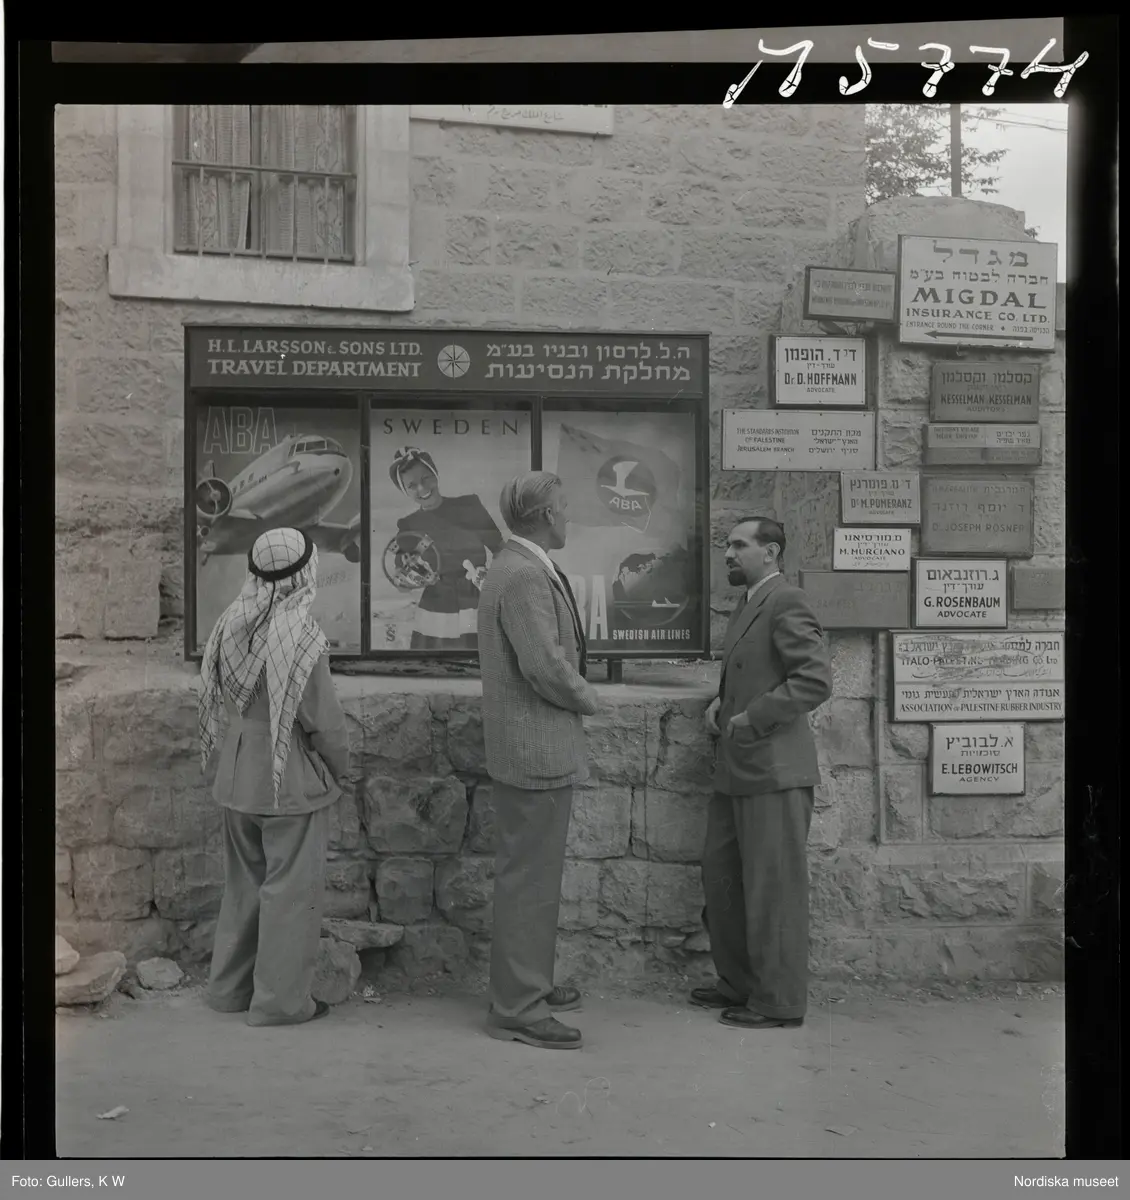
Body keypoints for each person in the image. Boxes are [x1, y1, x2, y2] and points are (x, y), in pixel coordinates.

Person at [198, 527, 352, 1027]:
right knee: (289, 894)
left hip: (237, 772)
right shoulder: (301, 637)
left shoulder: (230, 623)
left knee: (243, 886)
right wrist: (340, 769)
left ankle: (228, 990)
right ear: (303, 574)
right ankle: (280, 1004)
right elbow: (323, 722)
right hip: (288, 779)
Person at [692, 518, 831, 1030]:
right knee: (722, 879)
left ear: (770, 552)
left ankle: (778, 1001)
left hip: (774, 771)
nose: (728, 553)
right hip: (737, 769)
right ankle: (738, 983)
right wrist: (721, 702)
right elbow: (752, 672)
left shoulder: (787, 600)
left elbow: (813, 680)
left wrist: (753, 716)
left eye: (738, 545)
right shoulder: (748, 602)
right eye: (727, 545)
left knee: (774, 890)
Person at [477, 471, 600, 1050]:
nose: (569, 516)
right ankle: (519, 1007)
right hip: (535, 753)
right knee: (530, 881)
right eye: (565, 506)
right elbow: (545, 666)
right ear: (547, 515)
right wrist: (590, 699)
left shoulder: (515, 565)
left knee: (530, 878)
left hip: (528, 750)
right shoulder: (525, 574)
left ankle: (526, 986)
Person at [389, 446, 505, 649]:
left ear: (435, 474)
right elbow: (400, 581)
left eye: (426, 478)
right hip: (436, 614)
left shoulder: (469, 507)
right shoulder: (408, 526)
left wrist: (492, 577)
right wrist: (415, 578)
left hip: (477, 600)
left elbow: (501, 551)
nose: (422, 489)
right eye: (412, 485)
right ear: (405, 491)